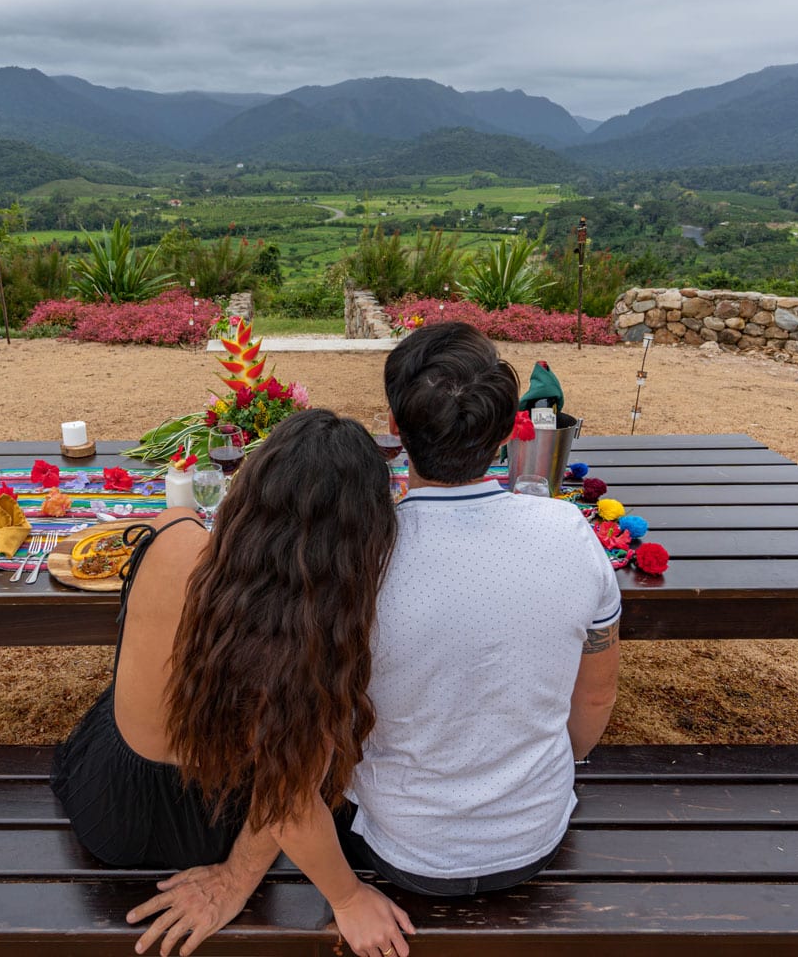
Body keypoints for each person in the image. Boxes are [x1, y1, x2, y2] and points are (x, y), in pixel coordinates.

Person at [133, 322, 621, 946]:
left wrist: (347, 896)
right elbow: (595, 699)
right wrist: (531, 768)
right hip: (537, 835)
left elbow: (290, 777)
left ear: (395, 427)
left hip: (402, 853)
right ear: (505, 434)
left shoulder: (356, 563)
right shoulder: (570, 534)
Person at [52, 408, 415, 957]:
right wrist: (343, 898)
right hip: (204, 820)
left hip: (108, 788)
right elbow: (291, 803)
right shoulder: (310, 636)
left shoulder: (176, 536)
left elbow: (164, 524)